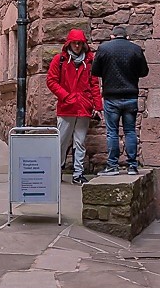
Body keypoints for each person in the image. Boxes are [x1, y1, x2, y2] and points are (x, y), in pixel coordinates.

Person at [46, 28, 102, 185]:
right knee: (62, 141)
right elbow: (51, 81)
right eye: (74, 43)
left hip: (83, 107)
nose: (77, 46)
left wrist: (97, 106)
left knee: (80, 141)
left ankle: (78, 173)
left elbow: (94, 85)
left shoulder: (89, 61)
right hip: (67, 107)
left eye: (79, 43)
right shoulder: (60, 60)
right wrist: (66, 96)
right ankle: (58, 169)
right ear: (69, 44)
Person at [91, 25, 149, 175]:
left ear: (112, 36)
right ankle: (132, 166)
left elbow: (95, 71)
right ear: (127, 37)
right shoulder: (135, 49)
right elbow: (144, 72)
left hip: (111, 96)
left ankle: (112, 166)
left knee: (112, 132)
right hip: (130, 96)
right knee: (130, 131)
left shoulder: (104, 49)